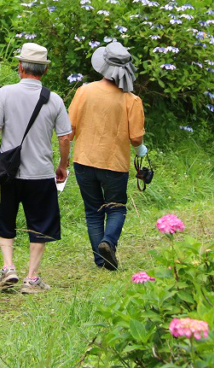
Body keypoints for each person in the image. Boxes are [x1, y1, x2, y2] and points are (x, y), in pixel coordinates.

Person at [0, 42, 73, 294]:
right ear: (44, 71)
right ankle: (32, 279)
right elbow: (65, 137)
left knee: (6, 219)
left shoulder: (5, 93)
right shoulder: (54, 99)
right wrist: (63, 165)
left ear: (20, 67)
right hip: (41, 173)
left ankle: (8, 267)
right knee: (40, 223)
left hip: (9, 173)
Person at [68, 41, 146, 271]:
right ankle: (108, 242)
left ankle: (100, 259)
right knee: (116, 207)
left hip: (83, 161)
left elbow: (69, 130)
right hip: (115, 165)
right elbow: (136, 139)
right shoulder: (132, 100)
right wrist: (142, 150)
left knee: (93, 211)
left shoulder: (84, 91)